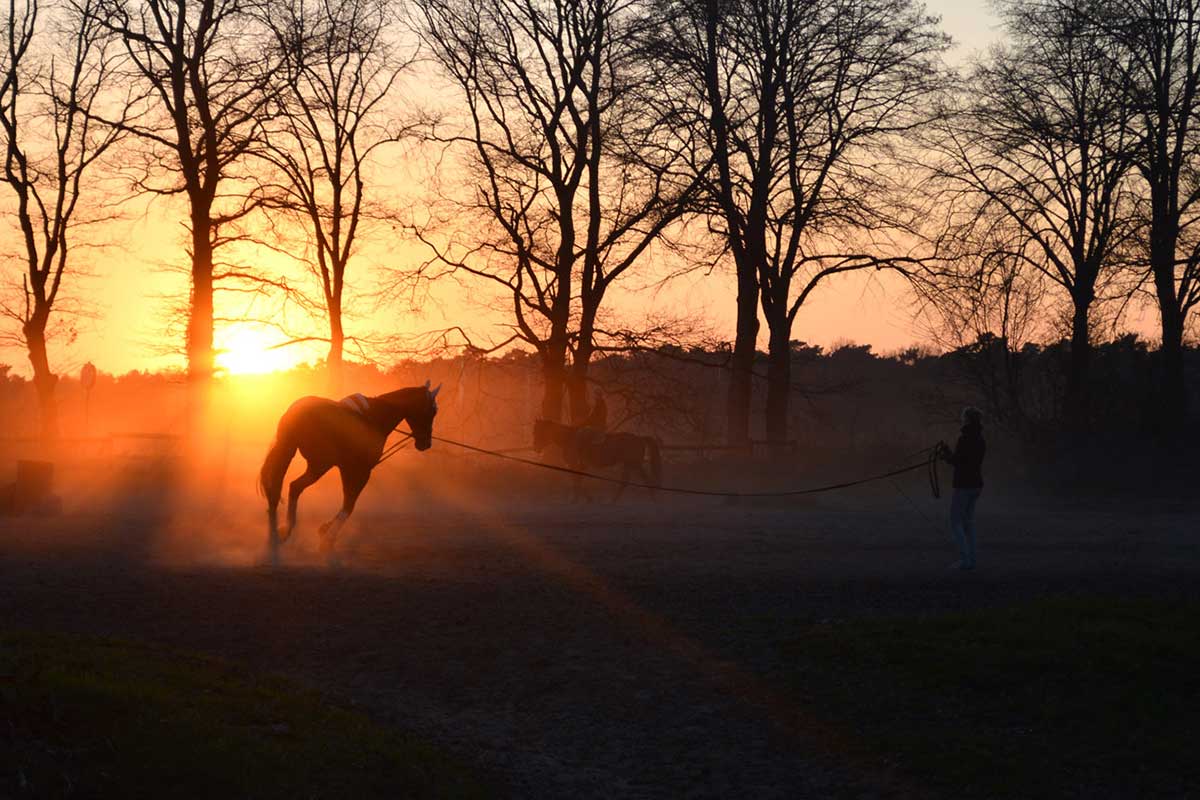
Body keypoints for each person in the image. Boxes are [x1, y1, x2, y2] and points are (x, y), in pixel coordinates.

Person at [938, 406, 985, 570]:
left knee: (955, 522)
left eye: (964, 417)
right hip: (976, 485)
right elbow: (964, 460)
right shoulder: (980, 438)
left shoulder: (965, 438)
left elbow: (959, 461)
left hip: (964, 485)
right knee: (968, 523)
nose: (962, 419)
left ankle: (966, 561)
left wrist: (946, 456)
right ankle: (971, 560)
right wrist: (948, 454)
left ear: (968, 420)